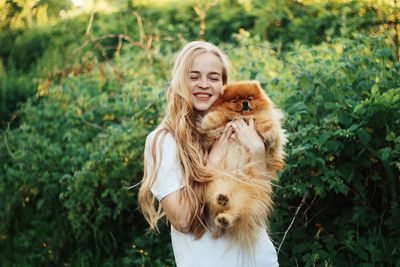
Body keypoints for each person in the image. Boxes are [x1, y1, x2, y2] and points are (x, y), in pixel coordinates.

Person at [138, 41, 279, 267]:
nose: (204, 84)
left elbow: (259, 203)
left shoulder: (243, 127)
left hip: (259, 260)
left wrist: (258, 154)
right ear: (180, 80)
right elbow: (183, 219)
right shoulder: (165, 141)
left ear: (224, 85)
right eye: (194, 76)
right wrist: (212, 163)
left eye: (213, 78)